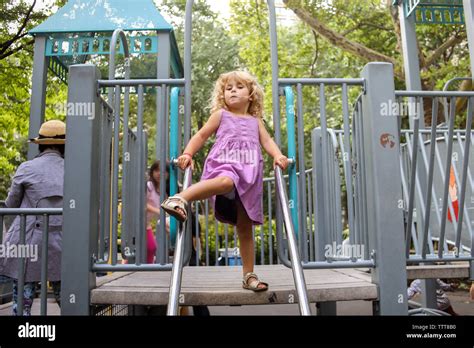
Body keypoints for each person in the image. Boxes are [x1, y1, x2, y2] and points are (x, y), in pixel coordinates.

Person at [161, 71, 288, 292]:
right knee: (227, 181)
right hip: (225, 163)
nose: (233, 91)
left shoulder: (255, 121)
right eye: (228, 88)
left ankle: (249, 275)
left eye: (239, 87)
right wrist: (188, 154)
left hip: (249, 174)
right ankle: (180, 198)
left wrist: (277, 156)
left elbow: (267, 141)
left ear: (251, 95)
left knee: (245, 226)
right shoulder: (220, 115)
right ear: (223, 95)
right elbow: (201, 135)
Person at [0, 120, 65, 315]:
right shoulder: (75, 172)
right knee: (67, 297)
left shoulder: (27, 168)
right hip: (63, 243)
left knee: (22, 299)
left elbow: (11, 205)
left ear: (41, 144)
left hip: (28, 243)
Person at [146, 160, 170, 264]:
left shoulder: (164, 190)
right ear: (152, 172)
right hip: (138, 222)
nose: (160, 173)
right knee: (150, 247)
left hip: (147, 222)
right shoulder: (149, 185)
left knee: (151, 248)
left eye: (164, 171)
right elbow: (143, 204)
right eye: (157, 170)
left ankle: (147, 269)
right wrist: (159, 211)